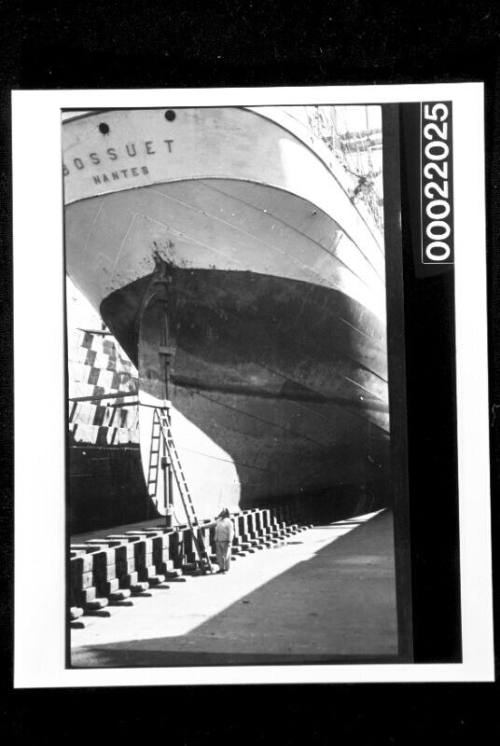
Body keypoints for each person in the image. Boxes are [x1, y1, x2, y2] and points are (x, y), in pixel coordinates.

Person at [215, 508, 234, 574]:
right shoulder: (219, 520)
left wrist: (229, 541)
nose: (220, 513)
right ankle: (221, 568)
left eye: (222, 512)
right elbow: (212, 525)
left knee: (225, 555)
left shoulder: (229, 522)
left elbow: (231, 532)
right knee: (219, 555)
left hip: (226, 541)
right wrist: (202, 527)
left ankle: (226, 569)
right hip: (218, 540)